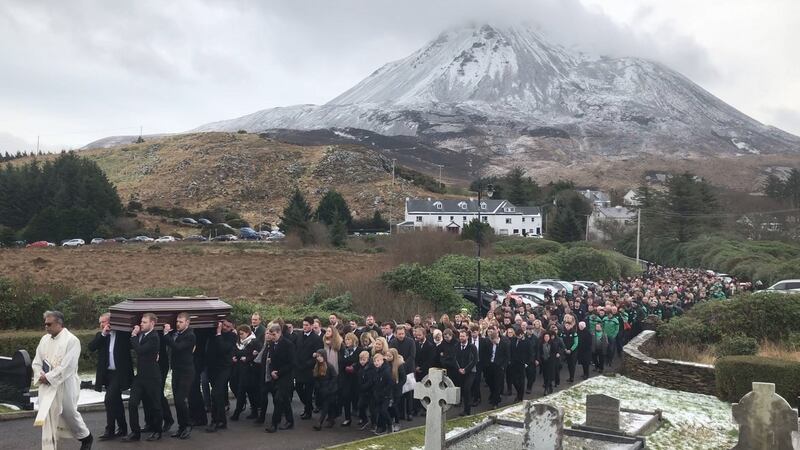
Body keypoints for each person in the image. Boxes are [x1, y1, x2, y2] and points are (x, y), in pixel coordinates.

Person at [32, 311, 94, 450]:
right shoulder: (44, 340)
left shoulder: (72, 341)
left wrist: (48, 377)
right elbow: (37, 362)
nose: (46, 327)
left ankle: (86, 436)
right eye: (45, 324)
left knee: (68, 412)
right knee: (48, 415)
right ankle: (49, 447)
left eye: (49, 324)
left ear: (59, 323)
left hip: (66, 383)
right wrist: (40, 374)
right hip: (47, 385)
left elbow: (68, 366)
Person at [88, 312, 132, 441]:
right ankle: (122, 428)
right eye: (100, 322)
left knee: (109, 399)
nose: (102, 324)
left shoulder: (123, 335)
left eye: (104, 322)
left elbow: (132, 346)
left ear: (111, 322)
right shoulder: (102, 336)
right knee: (116, 401)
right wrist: (103, 334)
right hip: (108, 374)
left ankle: (110, 429)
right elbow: (91, 347)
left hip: (119, 373)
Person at [124, 312, 163, 442]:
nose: (141, 324)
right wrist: (135, 336)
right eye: (141, 322)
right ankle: (135, 432)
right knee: (133, 403)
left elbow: (140, 350)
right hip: (140, 376)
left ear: (152, 323)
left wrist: (133, 335)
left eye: (144, 322)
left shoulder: (154, 337)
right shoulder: (142, 335)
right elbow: (135, 347)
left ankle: (157, 431)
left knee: (155, 405)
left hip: (152, 376)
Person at [162, 312, 196, 440]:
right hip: (176, 370)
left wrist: (166, 335)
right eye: (177, 321)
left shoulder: (190, 335)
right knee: (177, 400)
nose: (177, 324)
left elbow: (177, 347)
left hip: (186, 372)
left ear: (187, 322)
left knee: (181, 400)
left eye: (180, 322)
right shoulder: (176, 334)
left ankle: (187, 425)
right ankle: (181, 426)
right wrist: (168, 333)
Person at [205, 318, 237, 432]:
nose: (225, 328)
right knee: (218, 395)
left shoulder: (232, 336)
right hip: (213, 368)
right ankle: (222, 421)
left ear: (232, 327)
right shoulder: (214, 333)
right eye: (224, 325)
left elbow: (222, 348)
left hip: (224, 368)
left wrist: (218, 333)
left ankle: (215, 421)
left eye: (228, 326)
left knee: (215, 393)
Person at [265, 323, 296, 433]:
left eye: (274, 334)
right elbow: (272, 359)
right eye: (270, 334)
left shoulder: (288, 344)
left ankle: (274, 423)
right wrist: (273, 370)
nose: (272, 337)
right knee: (284, 400)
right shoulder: (272, 344)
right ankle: (290, 421)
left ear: (279, 333)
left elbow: (292, 363)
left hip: (286, 376)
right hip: (276, 375)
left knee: (278, 399)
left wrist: (279, 372)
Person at [231, 325, 261, 421]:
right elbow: (236, 352)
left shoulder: (254, 342)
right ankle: (253, 411)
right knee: (242, 389)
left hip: (250, 371)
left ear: (247, 333)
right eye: (239, 334)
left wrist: (247, 358)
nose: (240, 336)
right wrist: (235, 357)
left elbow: (259, 354)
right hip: (240, 369)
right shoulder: (239, 342)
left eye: (242, 334)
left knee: (245, 391)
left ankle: (238, 411)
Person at [296, 317, 322, 420]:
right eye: (304, 325)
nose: (305, 327)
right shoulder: (299, 336)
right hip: (298, 367)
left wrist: (307, 364)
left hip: (309, 369)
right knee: (298, 388)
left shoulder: (316, 339)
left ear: (311, 326)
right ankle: (309, 406)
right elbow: (296, 350)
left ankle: (308, 411)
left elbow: (317, 355)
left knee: (308, 391)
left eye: (307, 325)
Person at [390, 326, 415, 421]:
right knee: (399, 392)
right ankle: (400, 413)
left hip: (408, 369)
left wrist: (403, 365)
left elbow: (412, 356)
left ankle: (409, 413)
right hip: (397, 370)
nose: (401, 336)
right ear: (396, 334)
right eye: (399, 334)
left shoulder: (410, 341)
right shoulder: (393, 342)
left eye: (402, 334)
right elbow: (392, 355)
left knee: (409, 392)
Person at [311, 349, 339, 430]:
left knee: (326, 405)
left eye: (320, 356)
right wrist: (318, 385)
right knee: (329, 406)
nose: (319, 358)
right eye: (318, 356)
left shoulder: (329, 366)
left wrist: (329, 387)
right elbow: (316, 378)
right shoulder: (317, 366)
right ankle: (331, 419)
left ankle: (320, 422)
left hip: (330, 389)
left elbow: (334, 377)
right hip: (322, 389)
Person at [339, 332, 361, 427]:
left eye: (349, 339)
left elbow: (360, 363)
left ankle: (361, 417)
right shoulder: (344, 351)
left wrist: (353, 367)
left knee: (356, 398)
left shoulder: (360, 350)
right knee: (345, 397)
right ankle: (347, 418)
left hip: (356, 378)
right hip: (345, 378)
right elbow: (341, 363)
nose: (346, 341)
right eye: (346, 339)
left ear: (354, 340)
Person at [454, 329, 477, 416]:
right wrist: (459, 368)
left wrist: (466, 369)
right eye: (460, 336)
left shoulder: (472, 347)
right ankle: (464, 408)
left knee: (467, 389)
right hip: (460, 371)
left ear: (467, 337)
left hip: (470, 371)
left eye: (463, 336)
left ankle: (467, 410)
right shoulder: (456, 346)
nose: (461, 338)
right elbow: (454, 358)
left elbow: (474, 360)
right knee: (463, 389)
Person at [485, 330, 509, 409]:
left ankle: (495, 402)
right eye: (491, 340)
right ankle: (494, 395)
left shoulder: (504, 344)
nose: (492, 341)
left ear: (497, 338)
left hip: (499, 366)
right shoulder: (489, 344)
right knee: (489, 381)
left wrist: (503, 367)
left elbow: (507, 357)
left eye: (493, 340)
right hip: (490, 365)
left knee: (497, 384)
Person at [385, 348, 406, 432]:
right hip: (389, 389)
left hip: (396, 390)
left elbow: (403, 378)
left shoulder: (399, 365)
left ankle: (397, 422)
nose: (387, 357)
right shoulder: (386, 364)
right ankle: (391, 421)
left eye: (390, 356)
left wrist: (398, 386)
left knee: (395, 406)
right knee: (389, 406)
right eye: (387, 355)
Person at [371, 353, 392, 435]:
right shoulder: (376, 370)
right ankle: (382, 427)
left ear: (382, 361)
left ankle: (390, 425)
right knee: (379, 411)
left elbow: (390, 383)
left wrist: (384, 393)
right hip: (378, 394)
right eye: (375, 361)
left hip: (385, 395)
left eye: (378, 361)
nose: (376, 363)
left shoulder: (386, 370)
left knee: (383, 410)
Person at [356, 351, 376, 430]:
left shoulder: (371, 368)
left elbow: (371, 381)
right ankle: (365, 420)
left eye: (363, 360)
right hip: (363, 392)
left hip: (370, 392)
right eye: (360, 359)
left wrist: (363, 387)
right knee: (360, 406)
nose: (362, 361)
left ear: (368, 359)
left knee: (372, 409)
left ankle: (374, 423)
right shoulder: (361, 367)